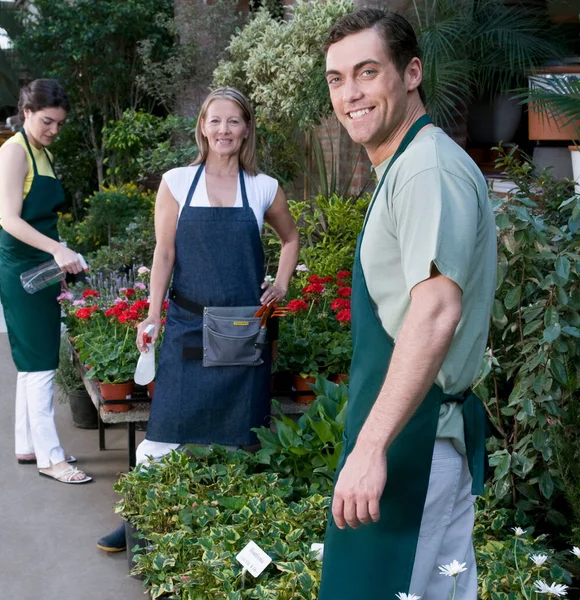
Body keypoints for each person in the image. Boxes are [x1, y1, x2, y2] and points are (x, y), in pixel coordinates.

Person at [319, 8, 496, 600]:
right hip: (410, 436)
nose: (351, 94)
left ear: (412, 72)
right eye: (337, 79)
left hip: (412, 444)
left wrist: (371, 448)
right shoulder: (405, 165)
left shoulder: (425, 169)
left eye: (367, 73)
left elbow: (436, 311)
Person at [97, 86, 299, 552]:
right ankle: (137, 524)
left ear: (246, 128)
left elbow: (290, 240)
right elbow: (164, 252)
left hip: (240, 330)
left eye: (233, 121)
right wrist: (152, 315)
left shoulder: (264, 187)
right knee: (163, 433)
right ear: (202, 128)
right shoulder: (176, 182)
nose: (224, 130)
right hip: (187, 325)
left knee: (237, 438)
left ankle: (222, 534)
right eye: (215, 121)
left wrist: (282, 284)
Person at [0, 79, 92, 484]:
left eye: (60, 123)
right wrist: (56, 250)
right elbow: (9, 219)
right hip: (23, 267)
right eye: (48, 121)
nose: (54, 130)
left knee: (32, 361)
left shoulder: (41, 152)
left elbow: (41, 218)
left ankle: (28, 445)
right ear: (27, 112)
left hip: (43, 262)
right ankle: (51, 459)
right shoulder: (14, 153)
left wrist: (64, 248)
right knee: (39, 363)